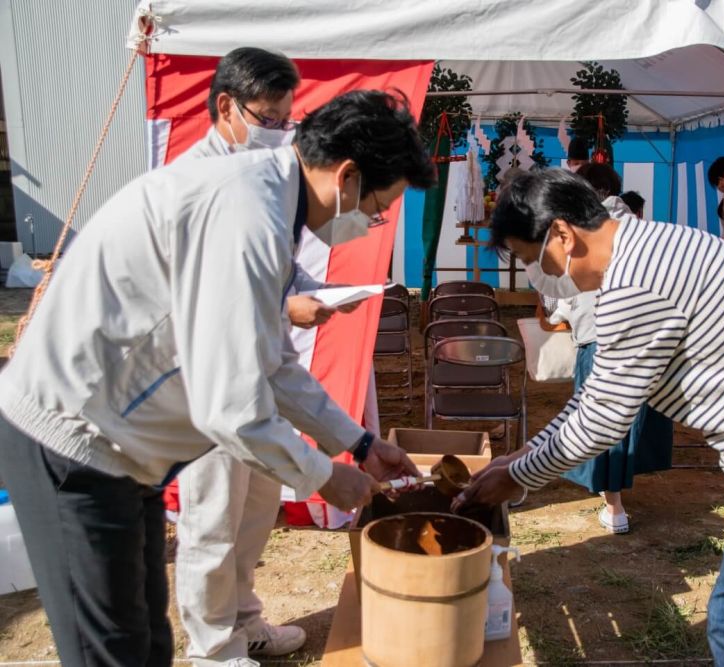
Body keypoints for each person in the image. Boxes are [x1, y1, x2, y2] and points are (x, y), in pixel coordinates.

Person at [0, 89, 435, 667]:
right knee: (108, 650)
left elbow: (274, 363)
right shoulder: (246, 215)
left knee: (144, 641)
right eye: (379, 208)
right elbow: (230, 407)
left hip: (124, 451)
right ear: (348, 176)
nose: (371, 224)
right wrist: (325, 476)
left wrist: (359, 444)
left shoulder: (270, 205)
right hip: (72, 444)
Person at [455, 169, 724, 666]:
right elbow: (595, 396)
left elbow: (603, 420)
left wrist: (516, 477)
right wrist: (518, 458)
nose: (539, 277)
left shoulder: (633, 286)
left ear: (562, 235)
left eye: (531, 259)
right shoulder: (648, 244)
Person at [169, 47, 366, 666]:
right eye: (269, 118)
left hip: (250, 376)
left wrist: (354, 442)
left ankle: (245, 620)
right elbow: (205, 309)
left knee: (253, 510)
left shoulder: (262, 190)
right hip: (197, 385)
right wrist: (334, 465)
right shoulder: (195, 186)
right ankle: (212, 650)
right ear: (225, 107)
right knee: (212, 521)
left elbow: (271, 338)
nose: (280, 133)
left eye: (288, 121)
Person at [545, 163, 671, 534]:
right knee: (631, 418)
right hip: (647, 338)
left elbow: (557, 295)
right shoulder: (648, 232)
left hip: (601, 336)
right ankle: (616, 496)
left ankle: (614, 507)